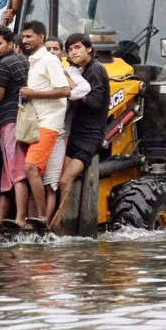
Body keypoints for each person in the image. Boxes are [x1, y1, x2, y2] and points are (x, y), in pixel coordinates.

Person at [18, 21, 70, 227]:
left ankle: (42, 218)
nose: (25, 40)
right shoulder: (30, 60)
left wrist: (33, 93)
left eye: (29, 36)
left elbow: (65, 90)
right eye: (23, 37)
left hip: (48, 121)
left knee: (30, 168)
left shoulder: (49, 60)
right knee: (35, 173)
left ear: (41, 37)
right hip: (33, 122)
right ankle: (37, 219)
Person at [56, 34, 110, 222]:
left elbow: (96, 102)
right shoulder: (79, 71)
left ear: (89, 48)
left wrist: (73, 91)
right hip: (76, 134)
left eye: (77, 47)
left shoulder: (95, 70)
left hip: (90, 137)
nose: (73, 52)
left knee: (64, 180)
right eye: (70, 49)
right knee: (60, 179)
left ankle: (62, 223)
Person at [0, 25, 29, 227]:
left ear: (10, 44)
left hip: (8, 121)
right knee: (9, 171)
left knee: (17, 171)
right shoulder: (24, 60)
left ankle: (21, 219)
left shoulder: (4, 65)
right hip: (22, 120)